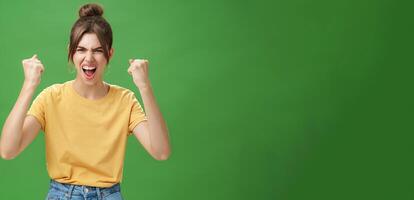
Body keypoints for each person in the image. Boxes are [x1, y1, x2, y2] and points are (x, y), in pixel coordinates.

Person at [0, 3, 171, 200]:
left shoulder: (125, 100)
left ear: (110, 54)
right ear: (71, 53)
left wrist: (145, 87)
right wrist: (29, 85)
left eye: (98, 50)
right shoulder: (51, 97)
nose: (89, 58)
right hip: (61, 194)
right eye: (81, 49)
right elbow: (8, 150)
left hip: (109, 195)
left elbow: (161, 152)